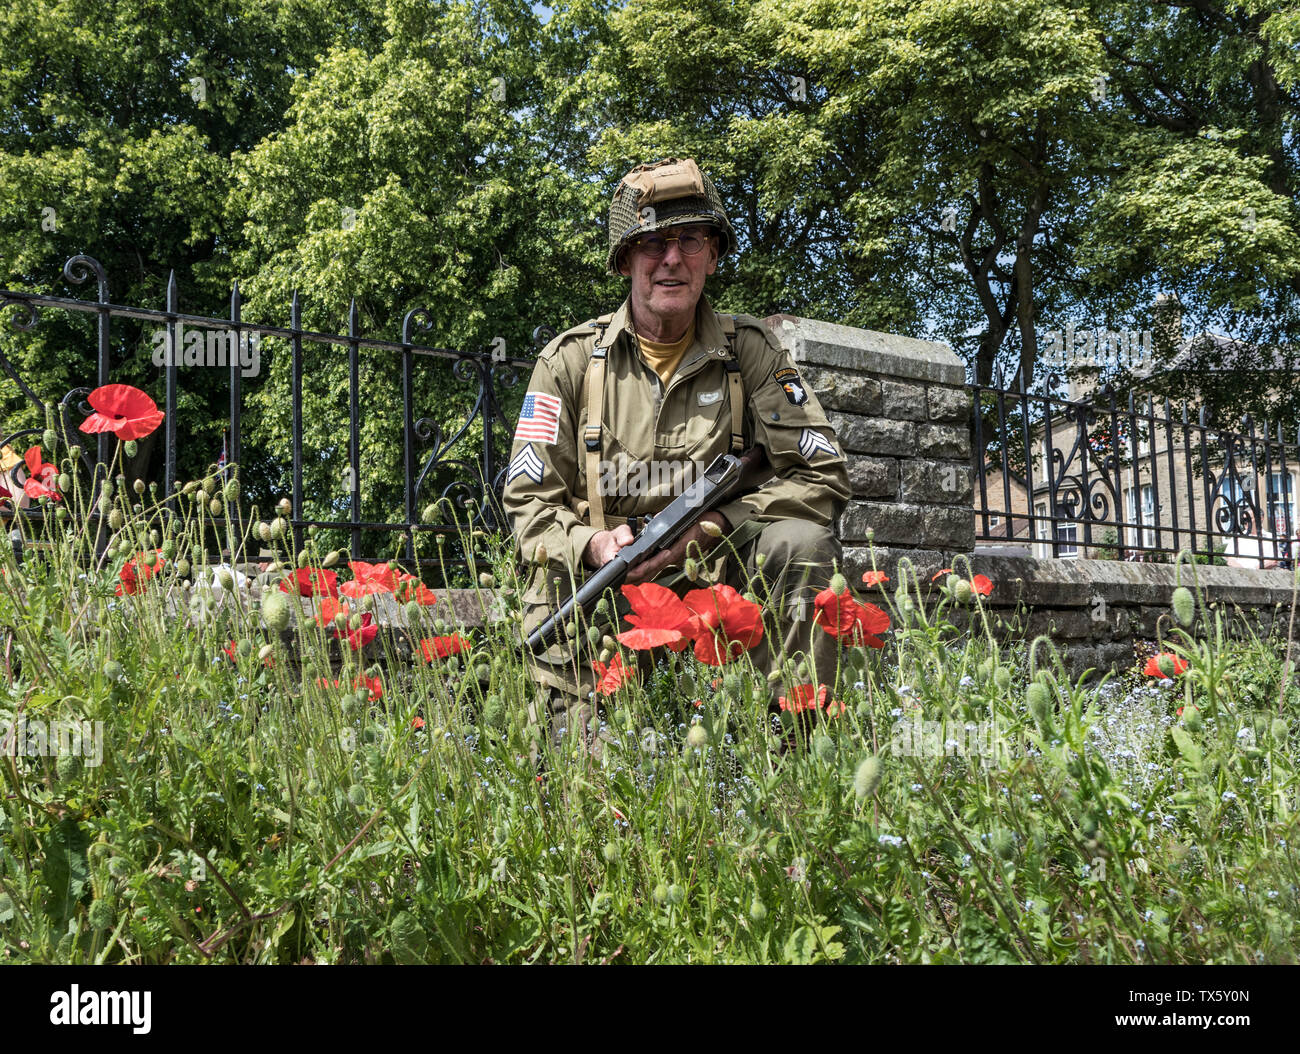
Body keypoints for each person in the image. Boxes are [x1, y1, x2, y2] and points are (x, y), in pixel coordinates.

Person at [503, 158, 851, 746]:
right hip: (611, 583)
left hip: (723, 581)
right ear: (624, 261)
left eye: (690, 240)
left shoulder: (754, 354)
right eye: (653, 243)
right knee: (582, 768)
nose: (672, 259)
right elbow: (527, 504)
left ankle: (798, 746)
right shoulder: (567, 363)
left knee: (803, 544)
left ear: (713, 255)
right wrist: (591, 544)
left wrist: (716, 523)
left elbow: (822, 476)